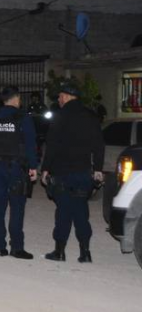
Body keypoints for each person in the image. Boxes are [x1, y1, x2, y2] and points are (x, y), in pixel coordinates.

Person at [41, 83, 104, 263]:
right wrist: (98, 169)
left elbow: (52, 145)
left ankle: (59, 252)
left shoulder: (60, 116)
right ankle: (85, 253)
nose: (59, 99)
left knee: (63, 212)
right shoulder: (90, 116)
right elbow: (99, 145)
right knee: (81, 212)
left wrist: (45, 169)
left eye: (60, 96)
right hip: (83, 172)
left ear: (68, 96)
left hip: (62, 173)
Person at [0, 87, 38, 259]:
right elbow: (31, 144)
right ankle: (16, 248)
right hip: (17, 168)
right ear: (16, 98)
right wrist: (33, 167)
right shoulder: (23, 117)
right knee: (17, 208)